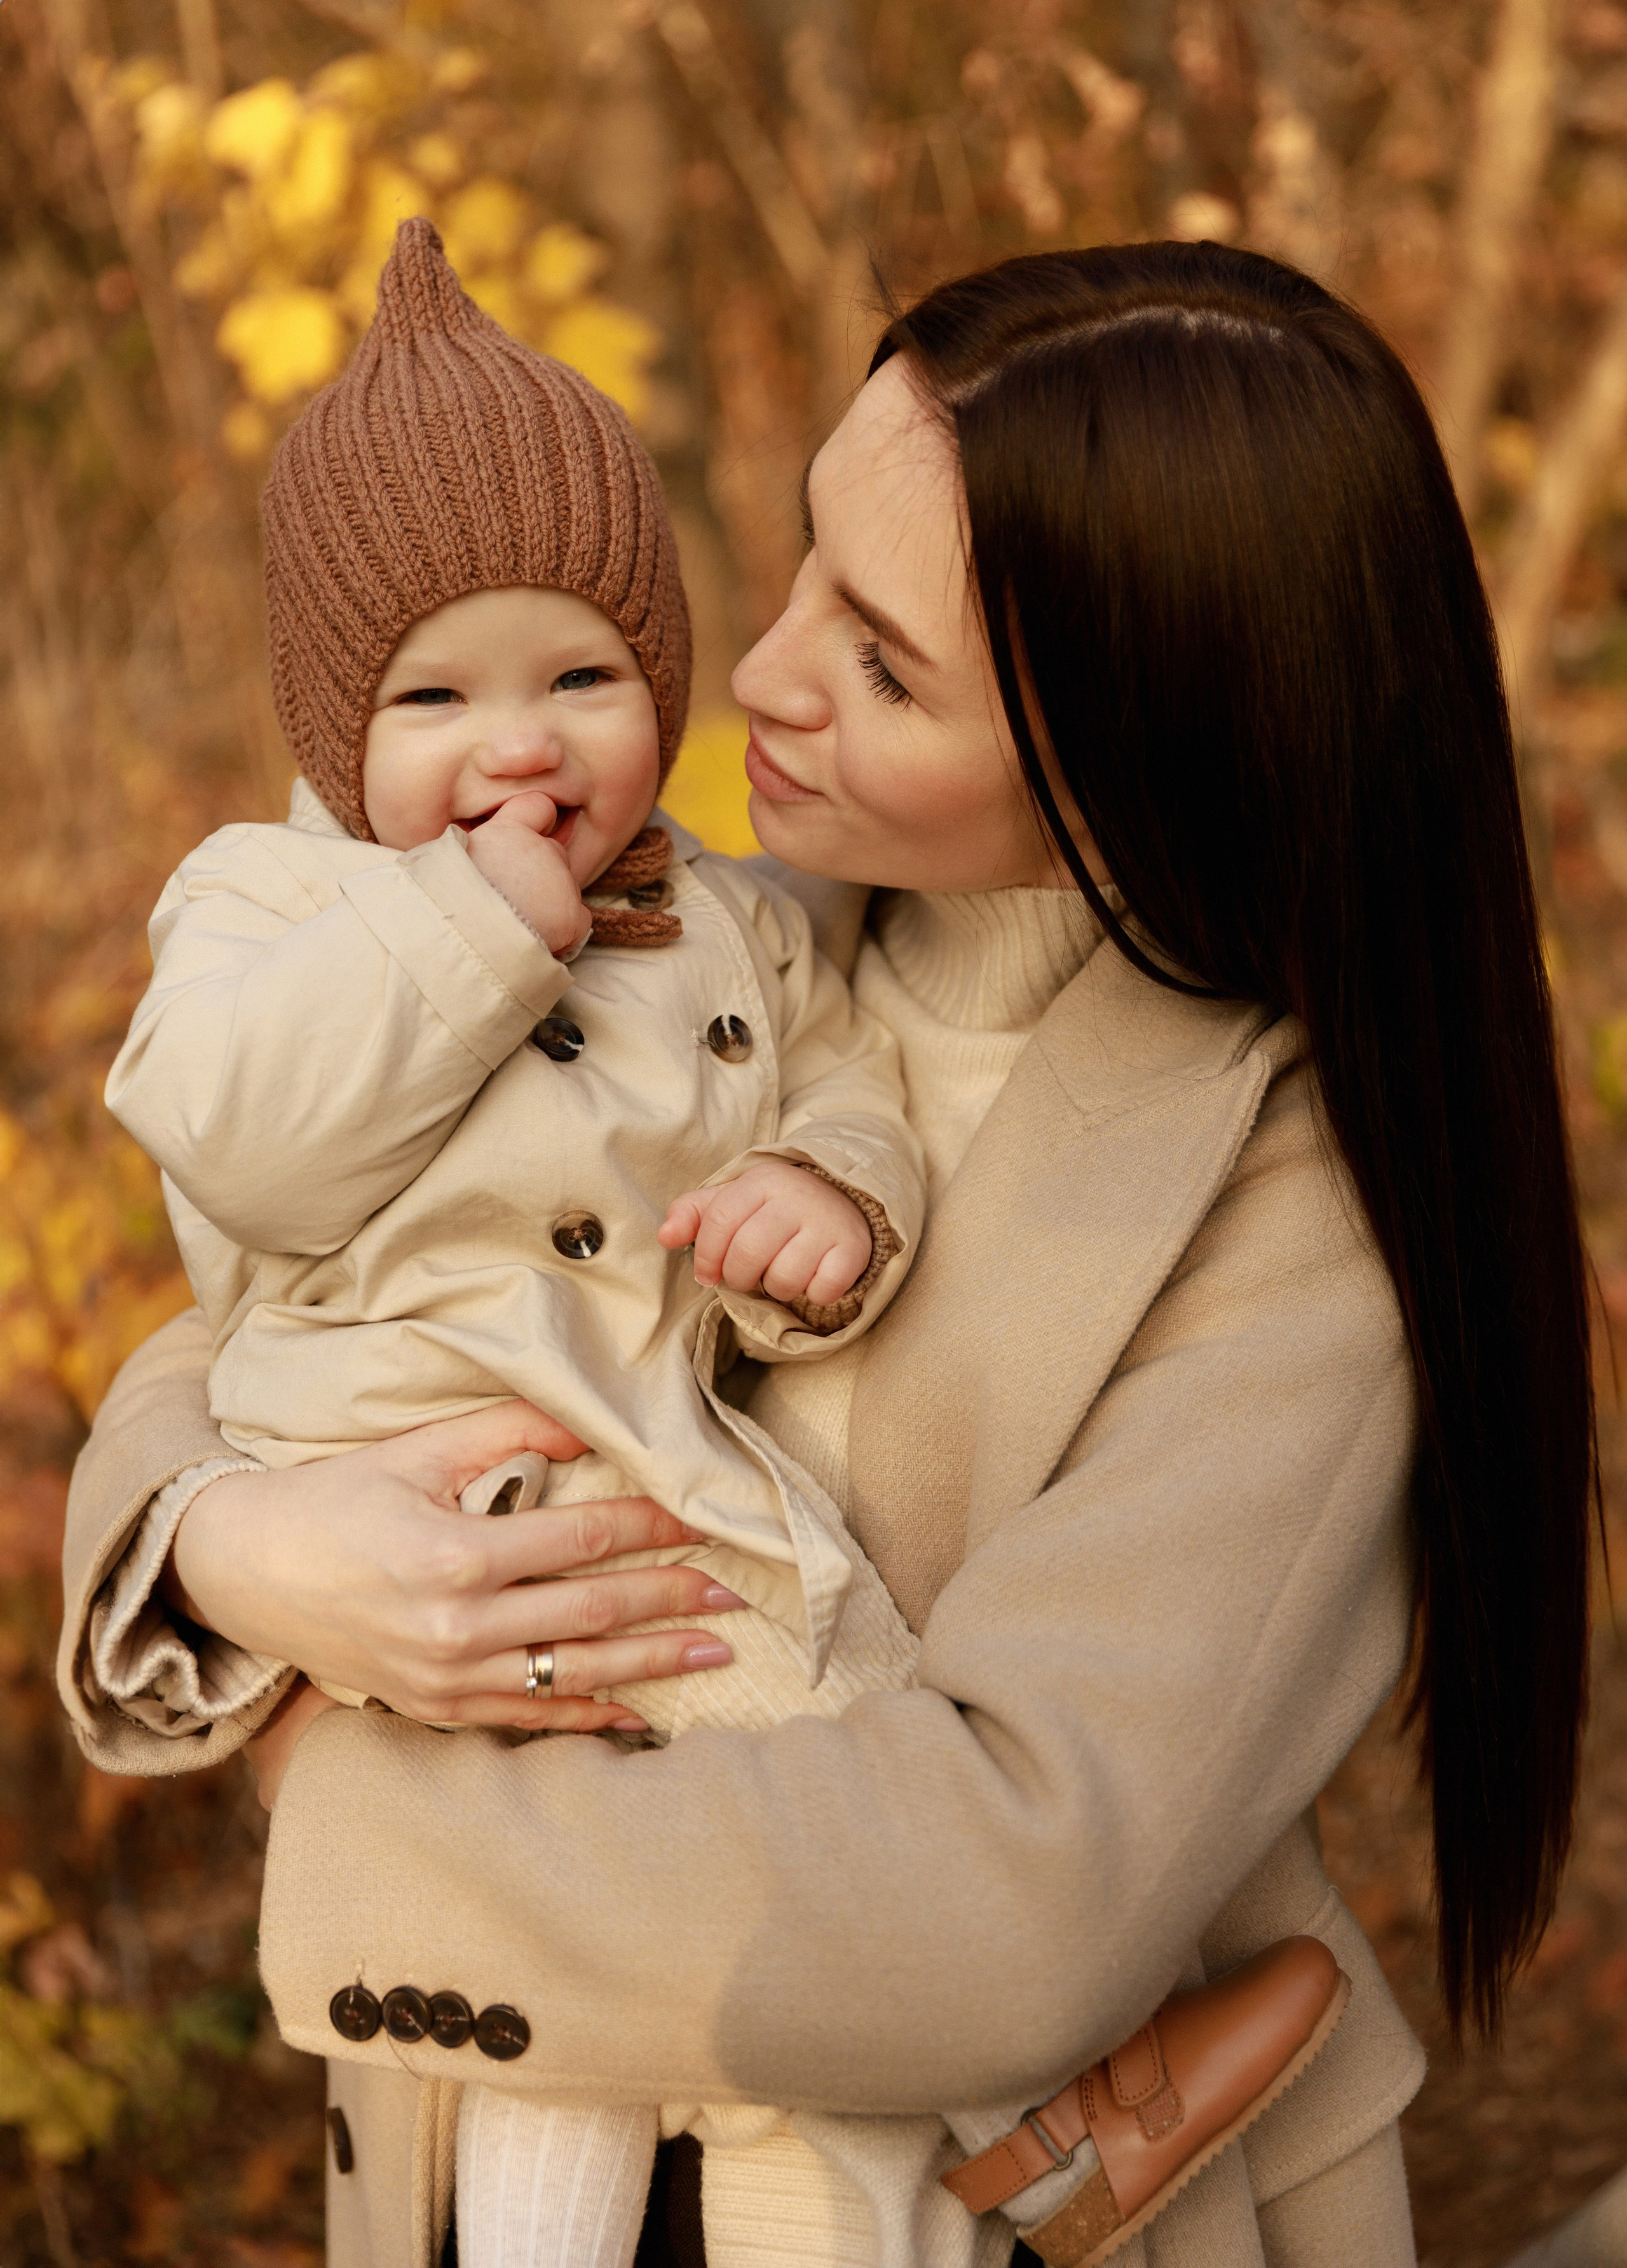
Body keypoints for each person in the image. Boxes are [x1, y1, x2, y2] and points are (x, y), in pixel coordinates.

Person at [59, 239, 1596, 2268]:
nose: (762, 672)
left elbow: (995, 1902)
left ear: (1146, 741)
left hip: (987, 2206)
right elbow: (296, 1284)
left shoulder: (1293, 1208)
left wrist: (308, 1766)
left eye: (883, 662)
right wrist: (227, 1547)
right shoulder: (752, 937)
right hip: (509, 2163)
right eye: (799, 565)